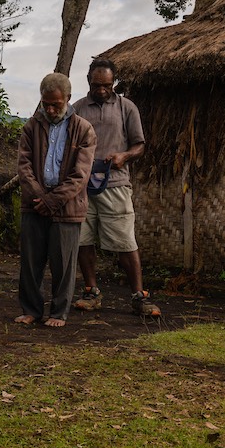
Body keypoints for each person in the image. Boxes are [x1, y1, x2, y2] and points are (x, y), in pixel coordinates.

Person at [70, 57, 160, 317]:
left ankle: (139, 296)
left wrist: (124, 156)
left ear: (114, 83)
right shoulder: (76, 110)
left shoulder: (126, 107)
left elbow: (139, 145)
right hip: (83, 186)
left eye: (107, 85)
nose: (101, 90)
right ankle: (91, 291)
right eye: (97, 85)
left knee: (125, 241)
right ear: (88, 81)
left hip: (116, 184)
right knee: (83, 240)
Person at [16, 73, 97, 327]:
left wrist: (53, 201)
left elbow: (80, 175)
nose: (50, 109)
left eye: (56, 105)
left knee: (63, 264)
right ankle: (31, 309)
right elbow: (24, 167)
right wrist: (41, 197)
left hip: (67, 207)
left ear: (68, 99)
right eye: (45, 103)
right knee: (31, 262)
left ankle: (59, 313)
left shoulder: (83, 129)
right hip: (34, 204)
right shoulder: (31, 126)